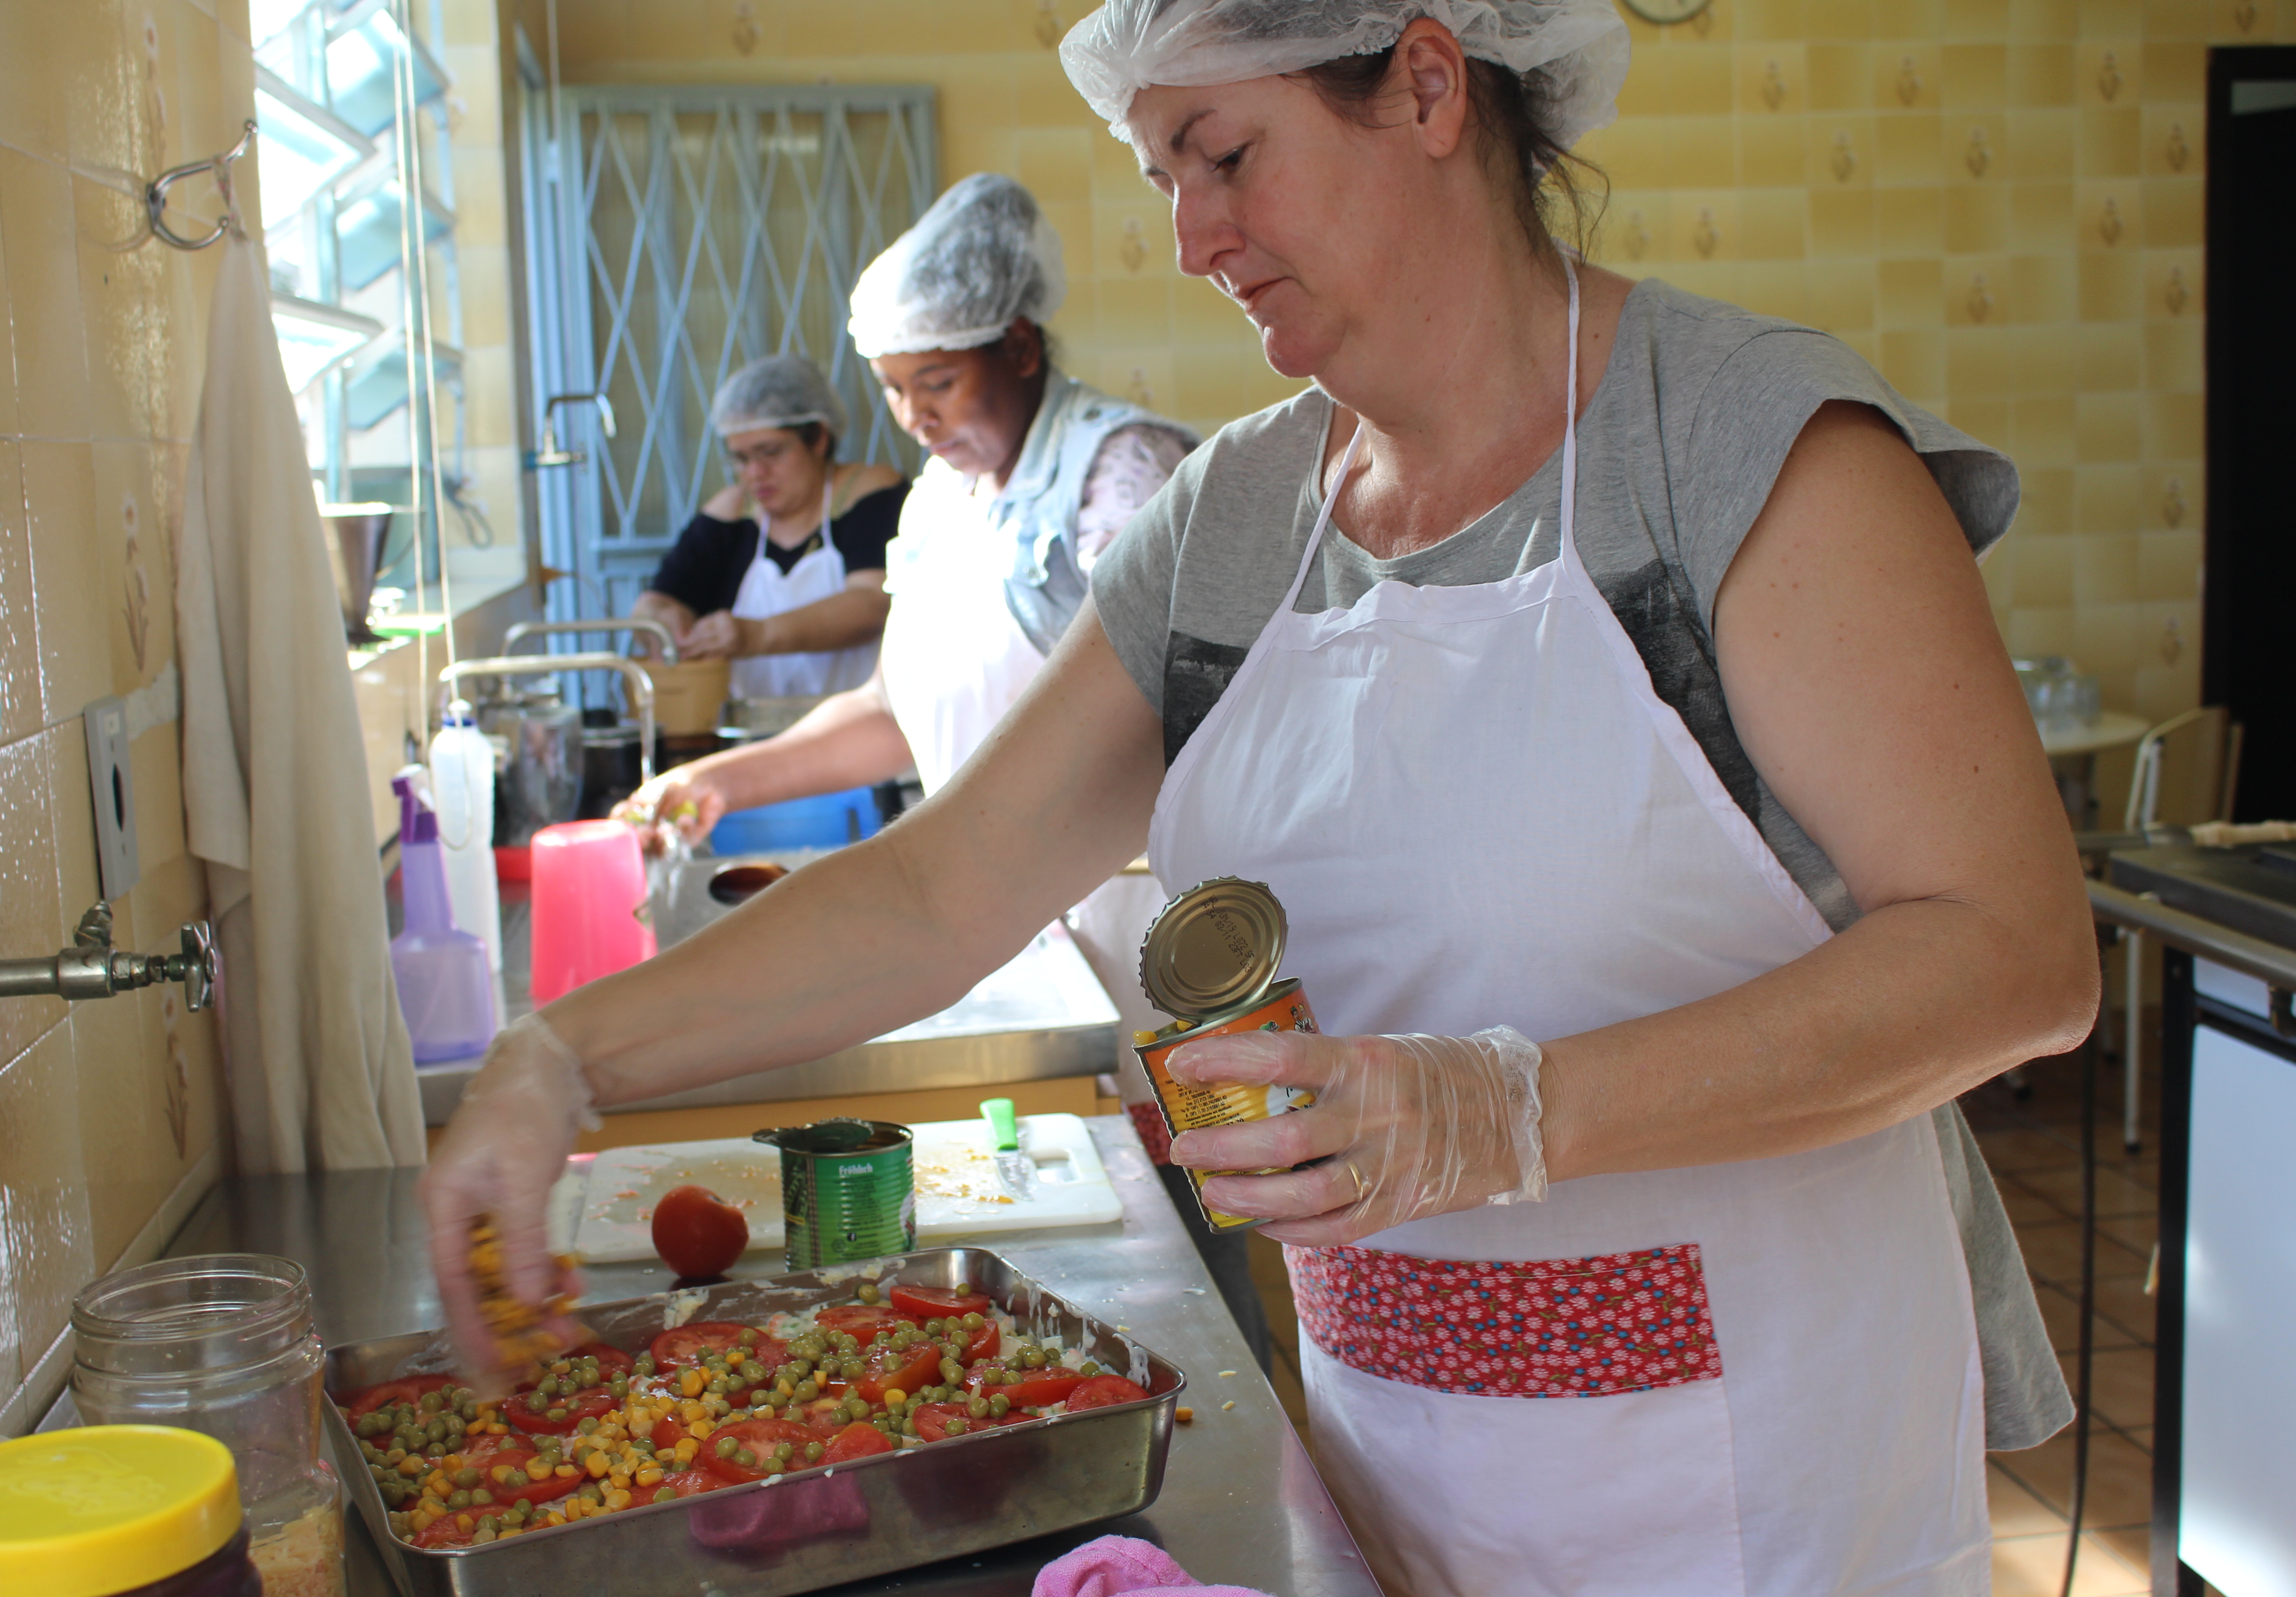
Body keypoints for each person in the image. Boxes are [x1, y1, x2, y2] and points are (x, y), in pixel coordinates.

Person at [426, 6, 2097, 1590]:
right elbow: (942, 889)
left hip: (1754, 1488)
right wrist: (560, 1059)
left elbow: (2014, 953)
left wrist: (1516, 1110)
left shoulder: (1736, 451)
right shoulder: (1236, 524)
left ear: (1431, 88)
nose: (1188, 237)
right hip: (1398, 1460)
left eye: (1224, 156)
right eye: (1161, 178)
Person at [609, 178, 1268, 1359]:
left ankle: (1255, 1465)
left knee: (1211, 1258)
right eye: (893, 389)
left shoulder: (1118, 476)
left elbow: (1199, 718)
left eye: (939, 381)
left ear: (1017, 344)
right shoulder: (942, 502)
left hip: (1157, 946)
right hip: (1007, 930)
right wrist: (724, 781)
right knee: (1079, 1257)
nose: (912, 415)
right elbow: (892, 709)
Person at [631, 354, 907, 699]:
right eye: (741, 459)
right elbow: (655, 604)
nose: (755, 473)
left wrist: (755, 635)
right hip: (753, 728)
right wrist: (659, 622)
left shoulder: (867, 492)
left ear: (819, 438)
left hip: (867, 732)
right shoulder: (732, 514)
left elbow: (871, 602)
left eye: (770, 452)